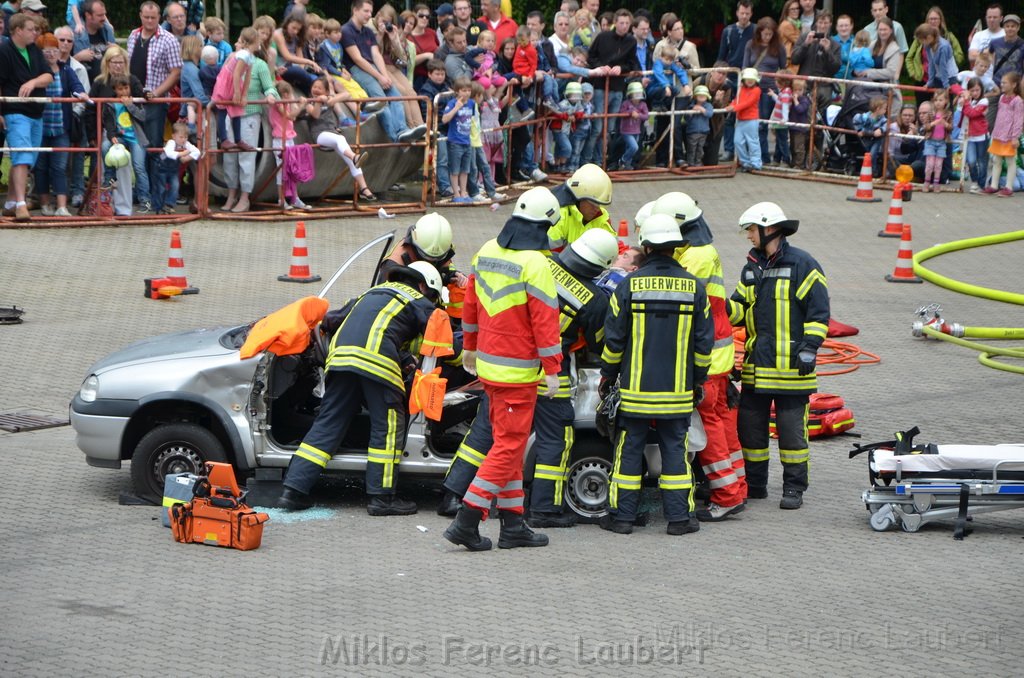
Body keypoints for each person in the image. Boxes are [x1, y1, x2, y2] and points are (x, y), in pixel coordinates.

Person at [438, 228, 615, 526]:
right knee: (554, 440)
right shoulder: (595, 299)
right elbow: (602, 344)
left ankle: (453, 495)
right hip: (549, 376)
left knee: (485, 434)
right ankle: (544, 510)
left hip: (506, 366)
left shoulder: (538, 264)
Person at [443, 187, 563, 552]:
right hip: (519, 374)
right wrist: (553, 369)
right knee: (509, 446)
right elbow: (545, 322)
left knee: (505, 446)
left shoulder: (486, 251)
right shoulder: (537, 265)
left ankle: (513, 525)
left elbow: (471, 307)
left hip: (490, 367)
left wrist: (471, 349)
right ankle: (467, 519)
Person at [279, 261, 446, 515]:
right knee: (388, 426)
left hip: (340, 359)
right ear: (424, 286)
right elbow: (440, 331)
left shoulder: (369, 294)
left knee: (328, 423)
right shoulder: (417, 299)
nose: (432, 301)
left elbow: (331, 321)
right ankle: (382, 498)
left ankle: (292, 491)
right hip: (377, 362)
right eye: (433, 296)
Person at [598, 212, 713, 536]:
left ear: (646, 246)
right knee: (676, 452)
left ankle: (622, 517)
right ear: (675, 248)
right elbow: (704, 344)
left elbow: (614, 340)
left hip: (635, 391)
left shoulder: (629, 286)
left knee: (629, 449)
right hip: (677, 393)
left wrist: (608, 376)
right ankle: (679, 520)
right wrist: (697, 381)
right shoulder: (694, 288)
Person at [649, 192, 747, 521]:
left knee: (709, 427)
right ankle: (736, 487)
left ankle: (726, 494)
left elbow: (670, 288)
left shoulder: (696, 259)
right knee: (721, 422)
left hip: (707, 359)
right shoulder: (701, 250)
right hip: (717, 356)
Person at [727, 202, 829, 510]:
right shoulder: (751, 267)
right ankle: (756, 486)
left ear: (768, 228)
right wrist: (714, 305)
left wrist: (810, 348)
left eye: (751, 231)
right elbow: (738, 309)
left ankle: (794, 488)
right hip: (757, 369)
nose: (748, 237)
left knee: (792, 436)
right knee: (751, 432)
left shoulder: (802, 264)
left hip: (791, 371)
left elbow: (819, 312)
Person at [342, 0, 425, 145]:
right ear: (355, 10)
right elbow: (357, 59)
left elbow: (376, 55)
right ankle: (395, 139)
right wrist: (379, 76)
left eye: (370, 11)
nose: (369, 15)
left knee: (396, 95)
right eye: (366, 11)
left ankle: (403, 130)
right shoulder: (346, 30)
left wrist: (385, 76)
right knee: (381, 99)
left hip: (373, 66)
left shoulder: (367, 31)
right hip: (356, 69)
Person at [127, 1, 184, 206]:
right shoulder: (133, 36)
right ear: (140, 15)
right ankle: (140, 190)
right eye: (146, 17)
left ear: (160, 17)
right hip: (133, 100)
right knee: (133, 146)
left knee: (153, 147)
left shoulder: (168, 40)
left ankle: (154, 194)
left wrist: (156, 93)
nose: (150, 21)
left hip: (155, 103)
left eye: (154, 17)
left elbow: (176, 71)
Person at [0, 14, 53, 223]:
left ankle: (11, 203)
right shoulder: (4, 51)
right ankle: (22, 204)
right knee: (22, 156)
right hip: (15, 111)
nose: (35, 32)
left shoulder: (34, 50)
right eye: (31, 29)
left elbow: (48, 76)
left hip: (36, 113)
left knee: (27, 159)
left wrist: (33, 82)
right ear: (18, 30)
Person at [220, 34, 278, 214]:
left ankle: (245, 197)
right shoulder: (231, 62)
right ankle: (231, 194)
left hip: (249, 115)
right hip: (231, 114)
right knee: (229, 156)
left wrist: (269, 95)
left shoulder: (259, 65)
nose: (236, 44)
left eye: (239, 41)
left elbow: (270, 87)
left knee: (246, 157)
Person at [34, 31, 87, 218]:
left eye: (53, 51)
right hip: (39, 127)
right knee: (40, 167)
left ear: (59, 52)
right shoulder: (36, 71)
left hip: (61, 128)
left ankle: (62, 206)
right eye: (45, 51)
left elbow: (77, 87)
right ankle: (45, 203)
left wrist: (81, 94)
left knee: (59, 166)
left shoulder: (66, 70)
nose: (50, 55)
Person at [302, 75, 377, 202]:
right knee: (341, 140)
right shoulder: (309, 103)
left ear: (326, 91)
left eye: (319, 88)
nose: (315, 90)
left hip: (332, 134)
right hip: (319, 135)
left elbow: (347, 95)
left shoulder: (328, 99)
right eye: (314, 87)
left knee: (346, 151)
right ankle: (355, 157)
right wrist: (319, 102)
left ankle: (364, 189)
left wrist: (331, 99)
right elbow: (315, 114)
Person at [582, 9, 640, 165]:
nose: (624, 26)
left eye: (627, 23)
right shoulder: (603, 37)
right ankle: (586, 161)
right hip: (601, 86)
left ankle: (600, 161)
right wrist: (601, 67)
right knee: (597, 127)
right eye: (621, 23)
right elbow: (591, 57)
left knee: (609, 129)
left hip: (618, 87)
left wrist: (622, 68)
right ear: (615, 22)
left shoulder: (631, 41)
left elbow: (632, 63)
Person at [102, 74, 149, 216]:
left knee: (139, 167)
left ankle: (145, 200)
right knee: (105, 146)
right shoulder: (110, 103)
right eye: (120, 89)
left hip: (136, 138)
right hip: (120, 137)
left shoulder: (136, 100)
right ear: (115, 90)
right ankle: (110, 178)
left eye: (126, 88)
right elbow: (108, 123)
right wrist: (111, 136)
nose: (123, 92)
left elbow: (142, 117)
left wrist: (130, 106)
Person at [55, 24, 90, 210]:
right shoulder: (45, 66)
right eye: (62, 40)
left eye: (70, 41)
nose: (66, 44)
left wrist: (74, 114)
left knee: (77, 156)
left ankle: (78, 190)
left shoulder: (79, 69)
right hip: (52, 119)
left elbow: (84, 96)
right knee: (53, 159)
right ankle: (50, 193)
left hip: (75, 119)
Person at [717, 0, 754, 162]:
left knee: (747, 116)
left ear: (751, 14)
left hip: (749, 78)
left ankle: (744, 151)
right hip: (731, 77)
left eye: (747, 13)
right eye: (742, 13)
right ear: (737, 13)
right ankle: (728, 149)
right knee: (729, 114)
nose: (744, 16)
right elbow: (721, 55)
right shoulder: (728, 31)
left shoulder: (756, 30)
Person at [547, 163, 614, 250]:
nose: (597, 209)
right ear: (578, 197)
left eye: (599, 204)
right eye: (592, 203)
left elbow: (614, 248)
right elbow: (550, 257)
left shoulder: (601, 217)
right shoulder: (559, 217)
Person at [790, 12, 840, 118]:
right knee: (801, 117)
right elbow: (794, 59)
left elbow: (835, 68)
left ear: (830, 24)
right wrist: (806, 45)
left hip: (824, 87)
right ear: (816, 23)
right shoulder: (805, 37)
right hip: (804, 86)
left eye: (825, 23)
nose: (822, 26)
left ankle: (819, 135)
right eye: (820, 22)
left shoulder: (835, 45)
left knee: (821, 121)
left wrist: (828, 51)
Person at [983, 71, 1022, 196]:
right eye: (1002, 82)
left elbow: (1018, 120)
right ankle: (994, 185)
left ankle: (1009, 187)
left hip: (1009, 136)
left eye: (1005, 82)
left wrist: (1015, 137)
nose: (1002, 84)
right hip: (998, 134)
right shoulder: (1001, 98)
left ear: (1014, 85)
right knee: (996, 160)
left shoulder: (1018, 101)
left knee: (1010, 161)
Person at [856, 16, 903, 115]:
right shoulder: (872, 45)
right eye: (880, 29)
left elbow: (891, 72)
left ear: (891, 30)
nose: (882, 32)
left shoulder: (895, 49)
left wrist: (869, 72)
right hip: (870, 91)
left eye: (885, 29)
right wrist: (858, 69)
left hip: (887, 93)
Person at [152, 121, 199, 214]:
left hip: (173, 170)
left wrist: (186, 158)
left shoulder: (186, 144)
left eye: (185, 137)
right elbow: (169, 153)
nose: (184, 139)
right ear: (174, 136)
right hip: (162, 168)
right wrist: (182, 153)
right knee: (161, 188)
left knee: (175, 186)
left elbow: (197, 151)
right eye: (181, 137)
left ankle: (168, 205)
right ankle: (158, 207)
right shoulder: (171, 142)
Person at [693, 63, 734, 166]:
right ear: (712, 72)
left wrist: (717, 101)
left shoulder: (726, 87)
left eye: (724, 74)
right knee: (695, 157)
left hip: (715, 124)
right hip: (697, 122)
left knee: (711, 163)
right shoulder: (699, 82)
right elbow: (690, 102)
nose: (721, 76)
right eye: (719, 72)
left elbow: (722, 110)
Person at [442, 76, 474, 204]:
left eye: (468, 90)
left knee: (465, 170)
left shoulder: (472, 103)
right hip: (455, 141)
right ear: (457, 91)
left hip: (467, 141)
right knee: (455, 170)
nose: (466, 93)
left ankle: (463, 192)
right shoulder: (452, 103)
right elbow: (444, 119)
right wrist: (456, 107)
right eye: (464, 90)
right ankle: (456, 193)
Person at [71, 0, 115, 85]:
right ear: (88, 15)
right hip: (83, 89)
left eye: (104, 14)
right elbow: (62, 65)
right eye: (99, 15)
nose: (103, 18)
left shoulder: (107, 33)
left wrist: (117, 49)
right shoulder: (73, 37)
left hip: (106, 89)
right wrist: (77, 57)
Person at [728, 67, 762, 171]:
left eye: (752, 79)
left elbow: (748, 103)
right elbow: (737, 100)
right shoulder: (741, 89)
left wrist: (734, 107)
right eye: (748, 78)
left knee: (753, 142)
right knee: (737, 141)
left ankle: (756, 163)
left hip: (751, 119)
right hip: (741, 119)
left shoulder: (757, 90)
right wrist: (731, 105)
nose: (750, 81)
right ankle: (745, 162)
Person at [960, 78, 991, 192]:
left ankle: (982, 185)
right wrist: (964, 101)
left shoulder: (984, 101)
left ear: (981, 89)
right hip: (969, 136)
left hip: (981, 135)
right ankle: (974, 181)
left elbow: (972, 113)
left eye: (977, 90)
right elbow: (964, 112)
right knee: (971, 160)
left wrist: (966, 102)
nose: (975, 93)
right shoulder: (969, 101)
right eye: (972, 90)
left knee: (982, 161)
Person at [914, 23, 960, 94]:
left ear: (929, 37)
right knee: (937, 101)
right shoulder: (927, 46)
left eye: (921, 40)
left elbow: (943, 66)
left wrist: (946, 85)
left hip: (949, 78)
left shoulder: (943, 47)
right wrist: (930, 82)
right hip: (938, 77)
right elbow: (931, 64)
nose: (921, 43)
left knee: (946, 101)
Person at [852, 95, 888, 176]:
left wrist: (881, 130)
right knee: (867, 153)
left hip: (876, 139)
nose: (886, 110)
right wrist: (859, 130)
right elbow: (855, 120)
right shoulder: (865, 117)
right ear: (878, 109)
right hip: (866, 138)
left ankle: (873, 171)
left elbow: (886, 125)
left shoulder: (882, 119)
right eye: (884, 108)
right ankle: (866, 170)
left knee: (872, 154)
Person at [616, 80, 648, 170]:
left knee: (629, 148)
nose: (637, 97)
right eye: (635, 94)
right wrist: (630, 112)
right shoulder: (626, 103)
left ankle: (626, 165)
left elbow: (646, 116)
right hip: (626, 131)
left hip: (636, 131)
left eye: (639, 94)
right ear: (630, 94)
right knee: (634, 147)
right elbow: (621, 113)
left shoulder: (643, 104)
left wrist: (638, 115)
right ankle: (622, 160)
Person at [988, 14, 1023, 83]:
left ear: (1018, 27)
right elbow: (989, 56)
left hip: (1015, 84)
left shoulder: (1022, 45)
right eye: (1007, 26)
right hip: (997, 82)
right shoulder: (994, 42)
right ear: (1003, 27)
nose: (1010, 28)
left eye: (1013, 26)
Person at [685, 85, 714, 166]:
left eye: (704, 95)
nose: (702, 96)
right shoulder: (691, 106)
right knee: (691, 148)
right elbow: (686, 118)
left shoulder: (708, 106)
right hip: (692, 132)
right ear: (695, 96)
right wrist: (692, 111)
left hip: (703, 132)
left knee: (700, 149)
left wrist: (702, 109)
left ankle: (698, 163)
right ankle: (691, 163)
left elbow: (710, 114)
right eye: (699, 95)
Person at [789, 76, 811, 168]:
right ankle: (793, 162)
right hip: (792, 126)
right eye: (795, 90)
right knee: (792, 146)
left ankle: (799, 164)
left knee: (799, 147)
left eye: (800, 90)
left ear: (803, 90)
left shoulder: (804, 100)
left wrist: (795, 100)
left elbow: (800, 110)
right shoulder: (792, 99)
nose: (797, 92)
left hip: (800, 128)